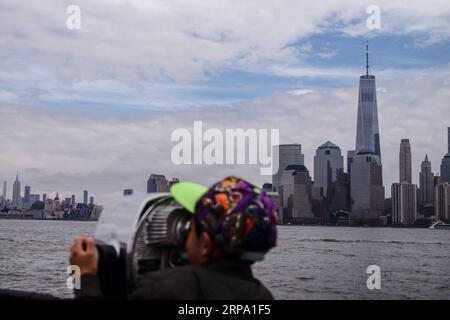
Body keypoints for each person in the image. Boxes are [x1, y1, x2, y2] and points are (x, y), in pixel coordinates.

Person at [70, 176, 278, 299]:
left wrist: (82, 275)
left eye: (190, 227)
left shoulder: (164, 289)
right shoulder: (262, 295)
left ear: (204, 244)